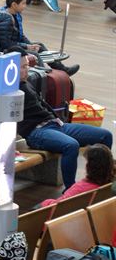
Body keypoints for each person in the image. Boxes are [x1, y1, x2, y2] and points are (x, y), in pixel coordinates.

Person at [18, 55, 112, 188]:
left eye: (27, 65)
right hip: (36, 132)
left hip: (55, 125)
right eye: (23, 67)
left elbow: (43, 104)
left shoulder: (26, 82)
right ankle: (70, 190)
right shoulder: (10, 88)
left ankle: (99, 182)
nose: (27, 69)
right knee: (71, 146)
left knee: (105, 135)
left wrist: (56, 118)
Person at [0, 0, 78, 74]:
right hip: (5, 51)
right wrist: (26, 47)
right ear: (14, 5)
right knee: (35, 54)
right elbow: (6, 44)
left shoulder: (15, 14)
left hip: (15, 46)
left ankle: (62, 69)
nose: (25, 6)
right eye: (23, 3)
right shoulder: (5, 19)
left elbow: (20, 35)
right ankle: (43, 73)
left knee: (39, 46)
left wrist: (30, 45)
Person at [40, 144, 115, 208]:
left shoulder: (80, 188)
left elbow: (59, 207)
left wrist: (46, 203)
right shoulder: (111, 184)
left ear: (90, 166)